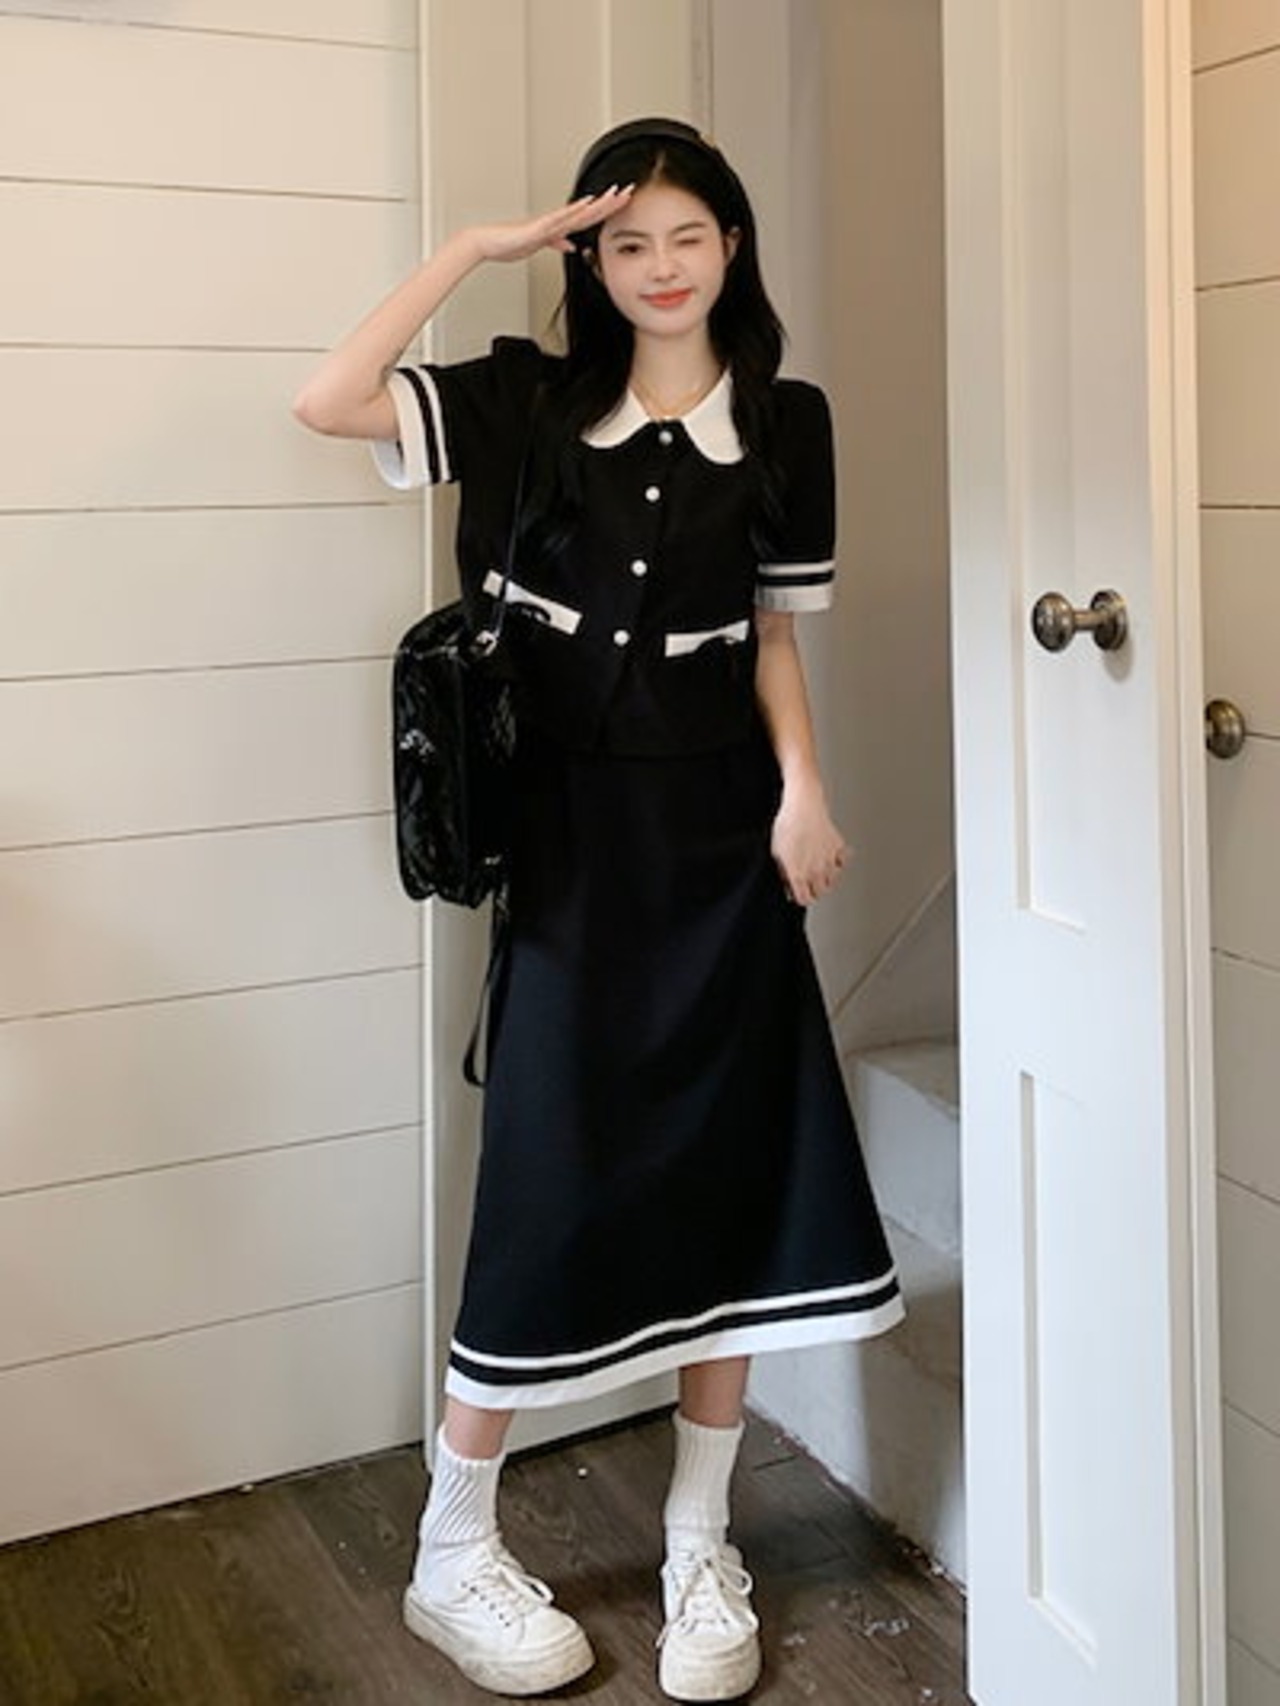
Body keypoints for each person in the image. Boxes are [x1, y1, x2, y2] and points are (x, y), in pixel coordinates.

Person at [294, 116, 904, 1704]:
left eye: (687, 236)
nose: (660, 268)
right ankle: (452, 1541)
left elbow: (774, 635)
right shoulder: (527, 397)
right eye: (627, 242)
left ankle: (704, 1534)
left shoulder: (789, 421)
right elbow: (329, 399)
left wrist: (805, 790)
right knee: (547, 1162)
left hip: (724, 838)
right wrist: (477, 249)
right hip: (568, 840)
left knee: (731, 1160)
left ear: (732, 246)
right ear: (591, 258)